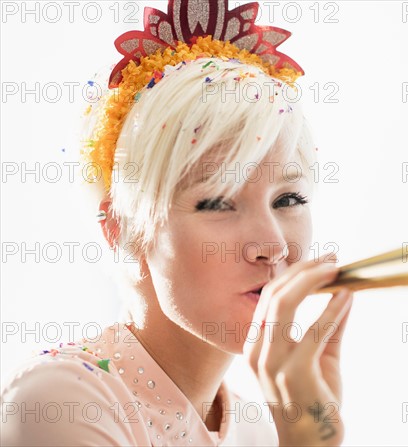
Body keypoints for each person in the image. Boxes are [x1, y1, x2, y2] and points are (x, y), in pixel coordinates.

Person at [0, 0, 354, 445]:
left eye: (288, 198)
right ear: (122, 229)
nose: (273, 244)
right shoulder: (58, 404)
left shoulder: (260, 431)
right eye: (218, 203)